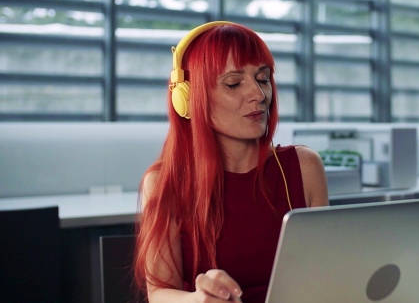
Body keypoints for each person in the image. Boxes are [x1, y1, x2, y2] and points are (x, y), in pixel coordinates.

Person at [133, 21, 329, 303]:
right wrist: (197, 300)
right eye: (234, 84)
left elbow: (326, 275)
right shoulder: (166, 183)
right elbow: (160, 294)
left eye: (262, 79)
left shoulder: (304, 167)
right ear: (188, 99)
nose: (259, 95)